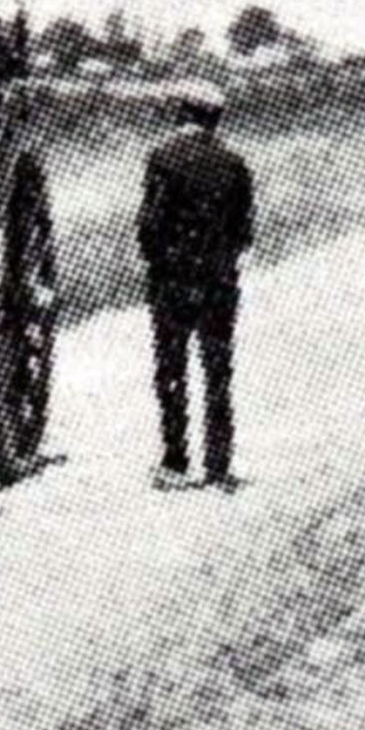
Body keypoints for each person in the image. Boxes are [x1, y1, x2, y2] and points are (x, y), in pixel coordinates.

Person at [139, 81, 257, 488]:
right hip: (219, 280)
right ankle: (219, 464)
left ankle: (175, 460)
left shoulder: (162, 159)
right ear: (216, 118)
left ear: (181, 113)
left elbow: (150, 223)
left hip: (172, 280)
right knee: (217, 369)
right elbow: (245, 230)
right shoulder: (234, 163)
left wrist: (158, 263)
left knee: (171, 369)